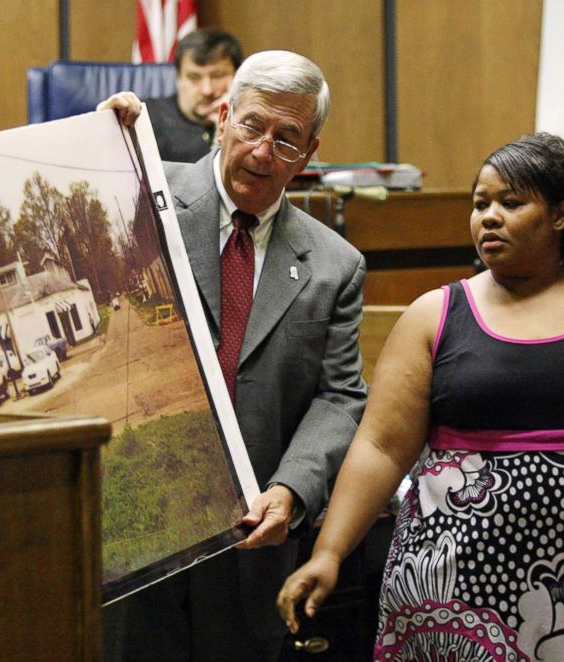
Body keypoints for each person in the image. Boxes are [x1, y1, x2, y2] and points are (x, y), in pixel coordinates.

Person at [278, 132, 564, 660]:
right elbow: (379, 448)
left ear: (560, 214)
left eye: (510, 203)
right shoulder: (435, 314)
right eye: (479, 204)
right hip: (449, 593)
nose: (488, 217)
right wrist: (329, 553)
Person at [100, 50, 367, 661]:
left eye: (288, 138)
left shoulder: (336, 266)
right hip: (137, 531)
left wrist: (294, 490)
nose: (263, 152)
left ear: (311, 152)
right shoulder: (143, 191)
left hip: (250, 540)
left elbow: (341, 395)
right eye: (251, 126)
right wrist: (101, 147)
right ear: (223, 117)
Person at [144, 27, 243, 163]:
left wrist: (231, 124)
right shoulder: (146, 119)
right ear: (178, 78)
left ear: (237, 76)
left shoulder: (250, 126)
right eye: (194, 77)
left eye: (217, 76)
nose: (207, 90)